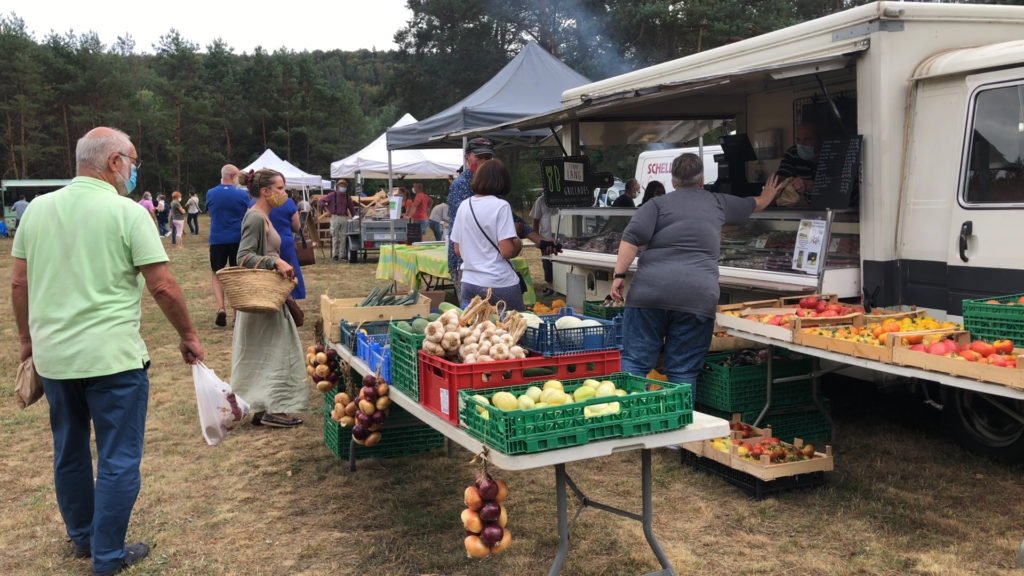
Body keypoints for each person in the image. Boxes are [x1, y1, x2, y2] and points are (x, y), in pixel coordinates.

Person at [10, 126, 203, 576]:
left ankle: (83, 537)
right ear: (114, 162)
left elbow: (19, 282)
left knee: (70, 450)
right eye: (133, 160)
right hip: (113, 359)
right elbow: (163, 286)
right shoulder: (128, 213)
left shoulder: (37, 211)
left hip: (56, 357)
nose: (135, 170)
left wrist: (26, 340)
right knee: (118, 457)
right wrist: (189, 335)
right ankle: (107, 554)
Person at [610, 153, 786, 387]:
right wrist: (768, 194)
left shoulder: (655, 205)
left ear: (672, 181)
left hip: (650, 294)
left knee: (634, 362)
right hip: (697, 297)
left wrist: (619, 276)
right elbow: (759, 204)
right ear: (702, 179)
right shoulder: (717, 202)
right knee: (683, 370)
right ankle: (681, 421)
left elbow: (630, 239)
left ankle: (628, 417)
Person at [232, 168, 307, 428]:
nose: (283, 194)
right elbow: (243, 256)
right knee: (278, 352)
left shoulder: (264, 215)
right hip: (262, 296)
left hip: (271, 297)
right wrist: (274, 262)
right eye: (280, 188)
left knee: (267, 352)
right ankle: (274, 409)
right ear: (265, 191)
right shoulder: (254, 217)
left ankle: (263, 407)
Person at [450, 159, 525, 311]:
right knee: (510, 331)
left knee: (475, 332)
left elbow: (457, 250)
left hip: (469, 282)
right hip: (498, 283)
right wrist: (518, 242)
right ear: (502, 181)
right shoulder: (501, 206)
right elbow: (507, 251)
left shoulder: (464, 205)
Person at [448, 137, 496, 296]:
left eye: (487, 158)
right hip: (466, 264)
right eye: (479, 157)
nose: (483, 162)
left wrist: (536, 238)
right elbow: (465, 228)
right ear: (467, 157)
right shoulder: (460, 185)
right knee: (472, 314)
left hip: (488, 262)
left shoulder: (492, 185)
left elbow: (512, 218)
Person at [207, 164, 250, 327]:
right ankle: (236, 314)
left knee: (217, 274)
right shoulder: (242, 194)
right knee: (237, 276)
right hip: (238, 238)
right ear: (234, 176)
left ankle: (220, 308)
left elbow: (211, 213)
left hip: (217, 238)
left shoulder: (211, 193)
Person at [268, 189, 306, 300]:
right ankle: (293, 295)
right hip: (285, 241)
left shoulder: (255, 202)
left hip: (266, 241)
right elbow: (296, 226)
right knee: (290, 270)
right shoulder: (288, 202)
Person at [776, 122, 819, 197]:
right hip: (799, 206)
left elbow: (836, 186)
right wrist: (791, 182)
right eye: (798, 139)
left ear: (818, 139)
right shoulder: (792, 153)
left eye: (807, 139)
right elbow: (780, 180)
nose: (802, 144)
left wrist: (810, 185)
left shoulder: (829, 155)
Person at [319, 179, 357, 261]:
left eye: (344, 186)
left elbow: (351, 208)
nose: (343, 187)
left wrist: (355, 216)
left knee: (343, 237)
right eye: (341, 186)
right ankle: (335, 255)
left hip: (344, 217)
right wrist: (327, 210)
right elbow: (321, 201)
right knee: (335, 236)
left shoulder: (347, 197)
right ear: (337, 186)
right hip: (335, 217)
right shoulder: (332, 195)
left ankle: (342, 255)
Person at [529, 193, 559, 296]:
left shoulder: (564, 197)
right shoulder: (541, 200)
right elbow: (535, 220)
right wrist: (537, 238)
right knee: (547, 263)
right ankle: (550, 287)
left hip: (562, 237)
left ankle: (560, 288)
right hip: (546, 237)